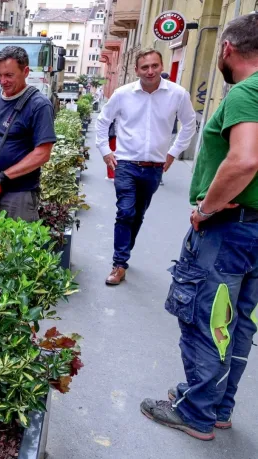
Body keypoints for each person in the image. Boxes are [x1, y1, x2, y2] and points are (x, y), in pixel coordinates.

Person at [140, 13, 258, 441]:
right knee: (240, 322)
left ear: (227, 49)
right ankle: (216, 405)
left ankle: (196, 412)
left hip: (229, 228)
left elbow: (244, 159)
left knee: (208, 319)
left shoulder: (247, 92)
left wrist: (208, 208)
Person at [95, 48, 196, 286]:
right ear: (136, 70)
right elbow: (103, 122)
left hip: (154, 167)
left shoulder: (178, 94)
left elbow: (189, 124)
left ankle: (123, 250)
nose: (150, 71)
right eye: (144, 67)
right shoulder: (123, 94)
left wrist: (173, 153)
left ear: (161, 66)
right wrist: (105, 152)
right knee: (126, 212)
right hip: (126, 164)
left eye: (154, 66)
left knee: (138, 214)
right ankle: (119, 263)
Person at [0, 46, 56, 223]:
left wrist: (4, 175)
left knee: (15, 249)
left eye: (9, 75)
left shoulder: (39, 105)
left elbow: (43, 153)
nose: (2, 80)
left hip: (18, 195)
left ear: (26, 71)